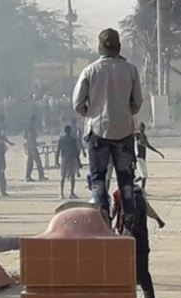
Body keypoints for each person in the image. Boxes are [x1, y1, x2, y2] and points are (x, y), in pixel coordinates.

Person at [73, 28, 143, 229]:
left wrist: (92, 113)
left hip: (98, 131)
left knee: (98, 178)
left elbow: (78, 104)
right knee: (126, 179)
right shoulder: (131, 70)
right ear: (119, 47)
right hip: (124, 131)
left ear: (99, 48)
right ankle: (128, 221)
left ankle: (102, 214)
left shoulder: (90, 70)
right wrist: (124, 111)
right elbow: (137, 102)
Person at [135, 122, 165, 190]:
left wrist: (158, 153)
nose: (143, 128)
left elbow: (149, 146)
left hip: (143, 157)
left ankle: (132, 183)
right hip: (139, 157)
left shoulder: (144, 136)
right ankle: (142, 190)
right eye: (141, 127)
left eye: (143, 127)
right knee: (144, 176)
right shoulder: (137, 135)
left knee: (143, 175)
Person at [56, 125, 81, 199]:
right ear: (70, 131)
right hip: (72, 158)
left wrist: (56, 160)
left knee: (62, 176)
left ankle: (61, 193)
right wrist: (79, 162)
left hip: (64, 158)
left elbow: (58, 151)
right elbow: (76, 151)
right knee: (72, 176)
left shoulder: (61, 139)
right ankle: (71, 193)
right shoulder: (73, 140)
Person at [24, 115, 47, 182]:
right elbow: (30, 136)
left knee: (30, 162)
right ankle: (41, 176)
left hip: (29, 145)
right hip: (32, 146)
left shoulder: (27, 127)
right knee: (38, 161)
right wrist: (33, 144)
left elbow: (25, 136)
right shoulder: (31, 127)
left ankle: (28, 176)